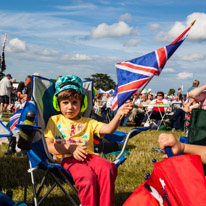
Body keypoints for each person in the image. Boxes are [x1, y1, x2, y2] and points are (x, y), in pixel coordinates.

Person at [44, 75, 133, 206]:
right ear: (57, 104)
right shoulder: (54, 120)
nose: (70, 107)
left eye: (74, 102)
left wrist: (119, 114)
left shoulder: (89, 122)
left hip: (90, 157)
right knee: (87, 177)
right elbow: (49, 146)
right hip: (67, 159)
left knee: (108, 168)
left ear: (82, 104)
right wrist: (70, 148)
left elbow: (108, 129)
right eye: (65, 103)